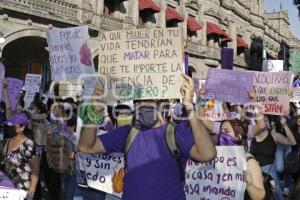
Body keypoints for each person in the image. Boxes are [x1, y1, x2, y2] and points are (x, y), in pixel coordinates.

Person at [79, 74, 217, 200]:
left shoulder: (176, 133)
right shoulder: (127, 133)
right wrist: (94, 112)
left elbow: (208, 154)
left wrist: (189, 107)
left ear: (161, 101)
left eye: (149, 98)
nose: (144, 104)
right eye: (139, 99)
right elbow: (86, 146)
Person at [198, 87, 265, 200]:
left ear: (239, 135)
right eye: (221, 132)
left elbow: (261, 126)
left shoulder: (248, 161)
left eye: (227, 132)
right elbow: (202, 119)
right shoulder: (217, 158)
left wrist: (254, 101)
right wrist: (204, 99)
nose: (222, 135)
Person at [251, 105, 296, 200]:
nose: (263, 123)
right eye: (261, 120)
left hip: (269, 172)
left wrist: (285, 125)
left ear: (269, 124)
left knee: (277, 192)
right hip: (254, 170)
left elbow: (292, 142)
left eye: (265, 120)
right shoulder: (252, 136)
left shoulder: (274, 136)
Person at [1, 114, 39, 199]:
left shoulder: (28, 144)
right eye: (8, 125)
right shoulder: (5, 142)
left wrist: (32, 190)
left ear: (22, 128)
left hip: (22, 190)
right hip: (6, 188)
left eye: (12, 126)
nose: (8, 128)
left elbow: (35, 169)